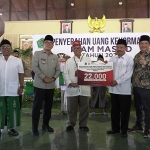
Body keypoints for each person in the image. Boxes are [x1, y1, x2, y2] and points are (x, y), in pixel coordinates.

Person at [32, 35, 60, 136]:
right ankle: (34, 127)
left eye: (50, 42)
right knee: (37, 106)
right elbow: (34, 67)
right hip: (39, 85)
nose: (48, 44)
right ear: (43, 43)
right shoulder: (37, 54)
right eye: (46, 42)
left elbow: (58, 70)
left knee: (48, 107)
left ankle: (45, 125)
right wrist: (44, 77)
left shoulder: (55, 57)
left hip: (50, 86)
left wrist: (53, 78)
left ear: (53, 45)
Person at [107, 39, 134, 138]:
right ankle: (115, 129)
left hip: (124, 90)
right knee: (114, 110)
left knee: (124, 112)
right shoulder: (112, 59)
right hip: (113, 90)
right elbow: (108, 71)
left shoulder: (129, 59)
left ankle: (124, 131)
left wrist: (117, 82)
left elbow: (128, 74)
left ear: (126, 48)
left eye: (121, 47)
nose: (119, 49)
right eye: (118, 47)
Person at [63, 40, 91, 132]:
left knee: (84, 108)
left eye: (78, 48)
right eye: (75, 48)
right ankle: (71, 124)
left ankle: (83, 125)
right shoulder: (69, 61)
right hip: (72, 88)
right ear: (73, 50)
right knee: (71, 108)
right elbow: (65, 73)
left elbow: (92, 71)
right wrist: (70, 83)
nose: (77, 50)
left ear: (81, 48)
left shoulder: (87, 59)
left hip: (85, 88)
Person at [0, 39, 24, 136]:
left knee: (12, 109)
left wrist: (21, 86)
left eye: (8, 47)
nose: (6, 49)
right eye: (3, 47)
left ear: (11, 49)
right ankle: (0, 129)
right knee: (1, 109)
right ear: (0, 49)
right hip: (0, 90)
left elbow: (21, 74)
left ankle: (11, 128)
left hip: (13, 90)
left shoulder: (17, 60)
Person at [128, 35, 150, 138]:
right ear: (139, 45)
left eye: (146, 43)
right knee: (138, 107)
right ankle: (139, 125)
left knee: (147, 108)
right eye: (142, 43)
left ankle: (148, 128)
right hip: (136, 86)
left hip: (146, 87)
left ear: (149, 45)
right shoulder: (137, 55)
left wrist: (146, 64)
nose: (143, 45)